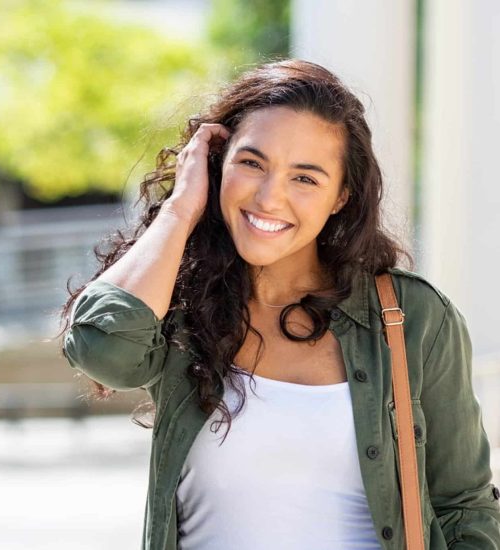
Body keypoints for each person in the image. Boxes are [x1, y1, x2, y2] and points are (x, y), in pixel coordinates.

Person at [59, 58, 500, 549]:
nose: (270, 198)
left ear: (341, 197)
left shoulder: (411, 318)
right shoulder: (180, 306)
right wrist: (181, 209)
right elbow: (103, 351)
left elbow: (465, 506)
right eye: (252, 163)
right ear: (215, 165)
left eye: (305, 178)